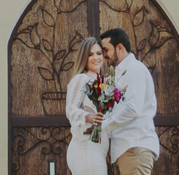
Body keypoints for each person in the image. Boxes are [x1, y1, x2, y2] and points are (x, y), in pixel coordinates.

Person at [99, 28, 160, 175]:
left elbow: (133, 108)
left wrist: (103, 127)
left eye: (106, 50)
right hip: (127, 150)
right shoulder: (121, 73)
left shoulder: (134, 69)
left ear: (119, 47)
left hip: (134, 148)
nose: (104, 54)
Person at [65, 37, 110, 175]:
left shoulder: (99, 83)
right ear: (83, 58)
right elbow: (70, 109)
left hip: (96, 150)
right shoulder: (82, 78)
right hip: (86, 148)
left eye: (98, 53)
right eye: (90, 54)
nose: (95, 58)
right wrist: (88, 117)